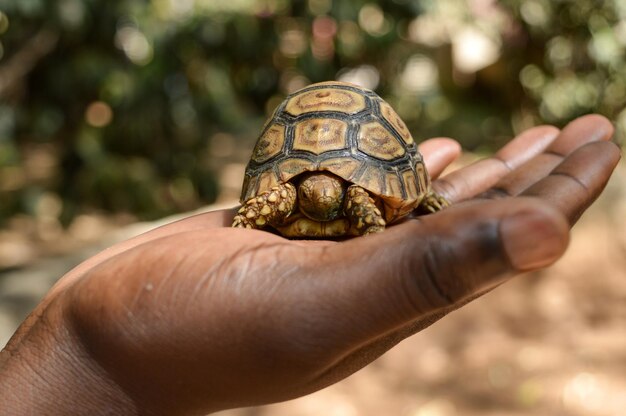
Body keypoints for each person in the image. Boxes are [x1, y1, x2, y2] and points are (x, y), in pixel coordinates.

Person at [0, 114, 620, 415]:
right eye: (311, 191)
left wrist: (76, 353)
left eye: (331, 191)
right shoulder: (290, 194)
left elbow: (363, 201)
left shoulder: (353, 196)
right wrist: (83, 353)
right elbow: (268, 200)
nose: (324, 198)